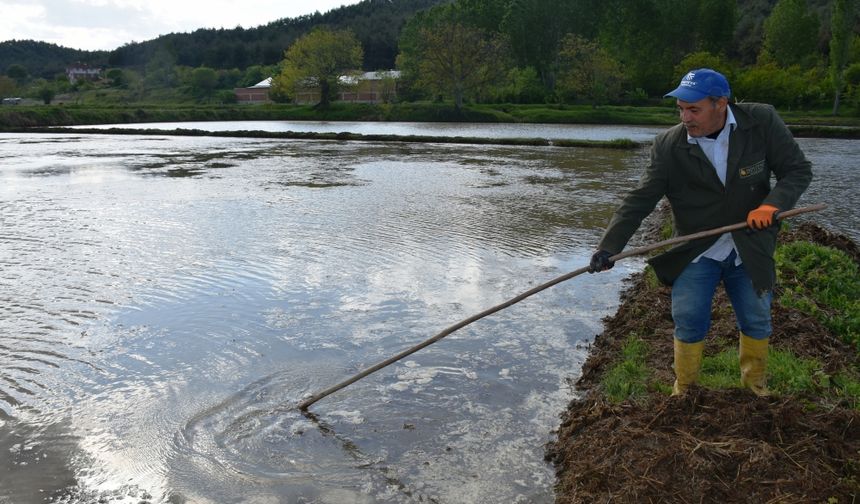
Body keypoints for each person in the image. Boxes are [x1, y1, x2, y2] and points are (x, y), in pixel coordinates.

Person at [588, 68, 812, 396]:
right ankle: (685, 390)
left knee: (756, 318)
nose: (685, 118)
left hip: (748, 245)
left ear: (721, 104)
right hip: (696, 247)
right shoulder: (668, 145)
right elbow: (640, 200)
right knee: (689, 318)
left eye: (694, 109)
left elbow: (797, 170)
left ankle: (755, 387)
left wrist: (772, 205)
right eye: (680, 109)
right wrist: (608, 247)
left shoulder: (760, 121)